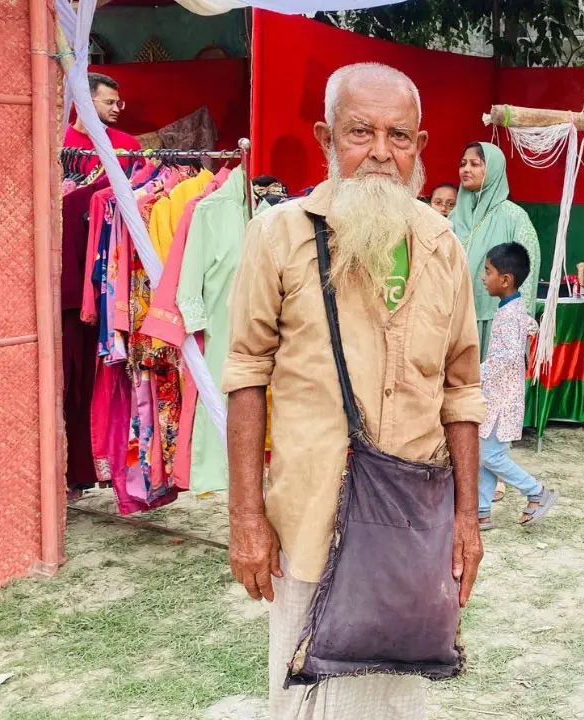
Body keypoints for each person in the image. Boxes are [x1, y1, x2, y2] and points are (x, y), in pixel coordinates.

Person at [222, 63, 486, 719]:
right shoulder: (277, 235)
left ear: (420, 148)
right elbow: (246, 376)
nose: (379, 152)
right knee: (307, 697)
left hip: (411, 527)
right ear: (326, 137)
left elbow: (462, 389)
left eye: (399, 136)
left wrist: (466, 519)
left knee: (397, 700)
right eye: (360, 132)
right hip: (312, 520)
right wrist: (246, 517)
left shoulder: (442, 245)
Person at [476, 242, 560, 529]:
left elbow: (506, 356)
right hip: (496, 395)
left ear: (505, 280)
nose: (483, 278)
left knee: (490, 455)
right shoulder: (512, 308)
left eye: (487, 272)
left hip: (502, 397)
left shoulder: (510, 314)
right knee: (484, 454)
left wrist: (473, 373)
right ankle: (481, 510)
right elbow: (528, 327)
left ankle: (536, 491)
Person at [451, 142, 541, 358]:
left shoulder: (514, 217)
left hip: (497, 319)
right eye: (463, 164)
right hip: (455, 316)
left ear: (492, 169)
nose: (466, 169)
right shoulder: (455, 215)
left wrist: (519, 317)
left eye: (475, 164)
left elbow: (528, 264)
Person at [63, 73, 142, 174]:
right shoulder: (58, 143)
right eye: (109, 102)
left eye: (118, 104)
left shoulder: (128, 144)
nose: (116, 109)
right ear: (85, 102)